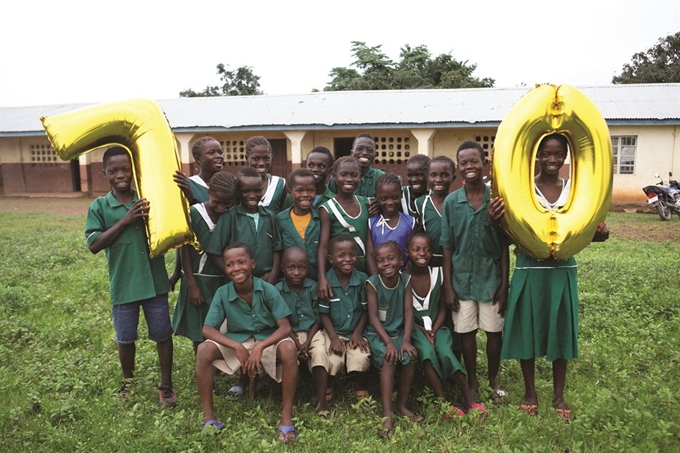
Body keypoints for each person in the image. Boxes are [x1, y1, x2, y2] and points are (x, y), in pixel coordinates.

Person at [498, 133, 609, 423]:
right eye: (546, 153)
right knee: (527, 330)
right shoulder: (521, 190)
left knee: (561, 330)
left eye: (558, 154)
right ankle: (530, 393)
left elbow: (583, 230)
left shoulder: (575, 190)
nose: (552, 159)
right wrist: (495, 218)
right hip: (528, 268)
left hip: (562, 270)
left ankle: (558, 395)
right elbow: (507, 231)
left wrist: (597, 235)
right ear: (536, 155)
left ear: (567, 156)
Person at [85, 146, 175, 406]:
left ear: (134, 171)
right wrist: (125, 221)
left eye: (126, 169)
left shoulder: (148, 199)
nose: (120, 175)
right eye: (113, 171)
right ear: (105, 173)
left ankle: (166, 386)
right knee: (125, 338)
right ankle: (128, 385)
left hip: (155, 282)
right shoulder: (100, 206)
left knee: (162, 334)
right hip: (124, 284)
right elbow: (94, 244)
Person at [195, 243, 299, 442]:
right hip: (238, 341)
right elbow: (207, 329)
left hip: (266, 340)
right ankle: (209, 418)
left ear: (252, 264)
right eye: (230, 265)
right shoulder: (223, 293)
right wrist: (236, 346)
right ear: (225, 269)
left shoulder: (267, 290)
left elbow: (285, 327)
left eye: (241, 262)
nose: (236, 268)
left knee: (288, 348)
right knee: (203, 350)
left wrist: (260, 346)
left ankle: (286, 416)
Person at [441, 141, 509, 404]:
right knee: (466, 333)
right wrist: (448, 286)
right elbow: (447, 247)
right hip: (461, 280)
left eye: (474, 161)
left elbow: (504, 246)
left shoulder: (498, 200)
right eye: (464, 163)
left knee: (494, 332)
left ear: (485, 164)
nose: (469, 167)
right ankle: (472, 380)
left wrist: (504, 285)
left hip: (491, 279)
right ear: (458, 168)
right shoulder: (451, 202)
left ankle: (493, 380)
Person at [405, 233, 485, 417]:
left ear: (433, 252)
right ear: (407, 252)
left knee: (446, 352)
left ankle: (470, 400)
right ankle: (444, 403)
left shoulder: (438, 274)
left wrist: (434, 330)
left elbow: (443, 308)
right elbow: (405, 313)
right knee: (426, 354)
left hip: (437, 327)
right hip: (416, 330)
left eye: (427, 250)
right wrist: (423, 331)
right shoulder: (403, 279)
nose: (422, 254)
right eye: (416, 249)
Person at [171, 172, 237, 356]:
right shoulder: (194, 212)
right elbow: (183, 247)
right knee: (198, 327)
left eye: (227, 204)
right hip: (197, 280)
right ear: (208, 192)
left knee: (219, 324)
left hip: (221, 280)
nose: (222, 207)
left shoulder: (230, 215)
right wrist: (190, 283)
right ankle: (202, 363)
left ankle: (217, 363)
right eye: (217, 202)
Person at [365, 241, 421, 437]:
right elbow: (372, 317)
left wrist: (405, 341)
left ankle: (402, 405)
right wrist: (389, 343)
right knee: (390, 359)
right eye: (380, 261)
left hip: (398, 334)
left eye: (391, 259)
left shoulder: (406, 280)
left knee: (410, 357)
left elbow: (408, 312)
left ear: (400, 260)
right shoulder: (372, 283)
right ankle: (387, 415)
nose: (386, 264)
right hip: (378, 335)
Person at [311, 235, 371, 417]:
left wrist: (358, 333)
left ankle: (359, 385)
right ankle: (328, 384)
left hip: (355, 331)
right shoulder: (326, 282)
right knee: (332, 358)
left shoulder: (362, 280)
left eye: (352, 255)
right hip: (333, 331)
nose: (347, 259)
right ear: (331, 259)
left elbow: (367, 310)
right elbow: (323, 313)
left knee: (361, 356)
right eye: (341, 256)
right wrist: (334, 338)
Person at [206, 166, 282, 284]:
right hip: (238, 283)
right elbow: (214, 252)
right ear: (238, 192)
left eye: (257, 190)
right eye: (246, 191)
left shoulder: (269, 216)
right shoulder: (229, 217)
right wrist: (233, 273)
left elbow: (277, 248)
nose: (252, 195)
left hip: (266, 281)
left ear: (262, 189)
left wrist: (273, 274)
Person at [318, 157, 374, 299]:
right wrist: (322, 277)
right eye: (344, 174)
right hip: (339, 271)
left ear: (360, 177)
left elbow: (368, 243)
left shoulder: (366, 203)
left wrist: (375, 278)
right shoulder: (328, 208)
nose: (349, 179)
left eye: (354, 175)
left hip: (363, 268)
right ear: (334, 176)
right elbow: (323, 247)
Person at [275, 247, 321, 370]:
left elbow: (318, 318)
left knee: (320, 353)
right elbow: (281, 321)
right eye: (291, 268)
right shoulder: (277, 291)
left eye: (301, 268)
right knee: (287, 352)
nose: (296, 272)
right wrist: (297, 343)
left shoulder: (313, 288)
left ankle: (323, 388)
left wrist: (307, 342)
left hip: (313, 333)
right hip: (288, 334)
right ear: (282, 268)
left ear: (308, 269)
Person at [276, 169, 321, 280]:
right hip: (290, 281)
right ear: (289, 192)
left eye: (310, 190)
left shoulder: (321, 218)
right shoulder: (280, 219)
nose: (305, 195)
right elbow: (278, 251)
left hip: (316, 280)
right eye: (299, 191)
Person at [414, 156, 456, 268]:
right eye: (433, 175)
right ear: (428, 178)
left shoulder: (457, 203)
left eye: (444, 175)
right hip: (429, 264)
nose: (438, 179)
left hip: (454, 262)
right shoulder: (421, 203)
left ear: (453, 177)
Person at [367, 173, 416, 270]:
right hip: (380, 278)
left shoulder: (410, 222)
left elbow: (412, 254)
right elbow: (370, 255)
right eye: (384, 198)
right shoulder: (371, 223)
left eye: (394, 197)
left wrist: (405, 276)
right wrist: (376, 280)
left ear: (401, 194)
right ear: (376, 196)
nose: (390, 203)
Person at [328, 133, 385, 198]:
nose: (365, 153)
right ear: (352, 153)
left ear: (375, 155)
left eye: (370, 150)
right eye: (359, 149)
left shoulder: (380, 177)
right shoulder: (338, 177)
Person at [174, 136, 224, 205]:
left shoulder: (230, 183)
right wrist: (190, 196)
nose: (219, 156)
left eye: (220, 152)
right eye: (211, 153)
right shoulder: (189, 185)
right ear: (198, 160)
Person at [245, 136, 287, 215]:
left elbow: (284, 213)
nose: (261, 163)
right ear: (247, 159)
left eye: (266, 158)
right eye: (256, 159)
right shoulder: (238, 183)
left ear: (271, 158)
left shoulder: (280, 183)